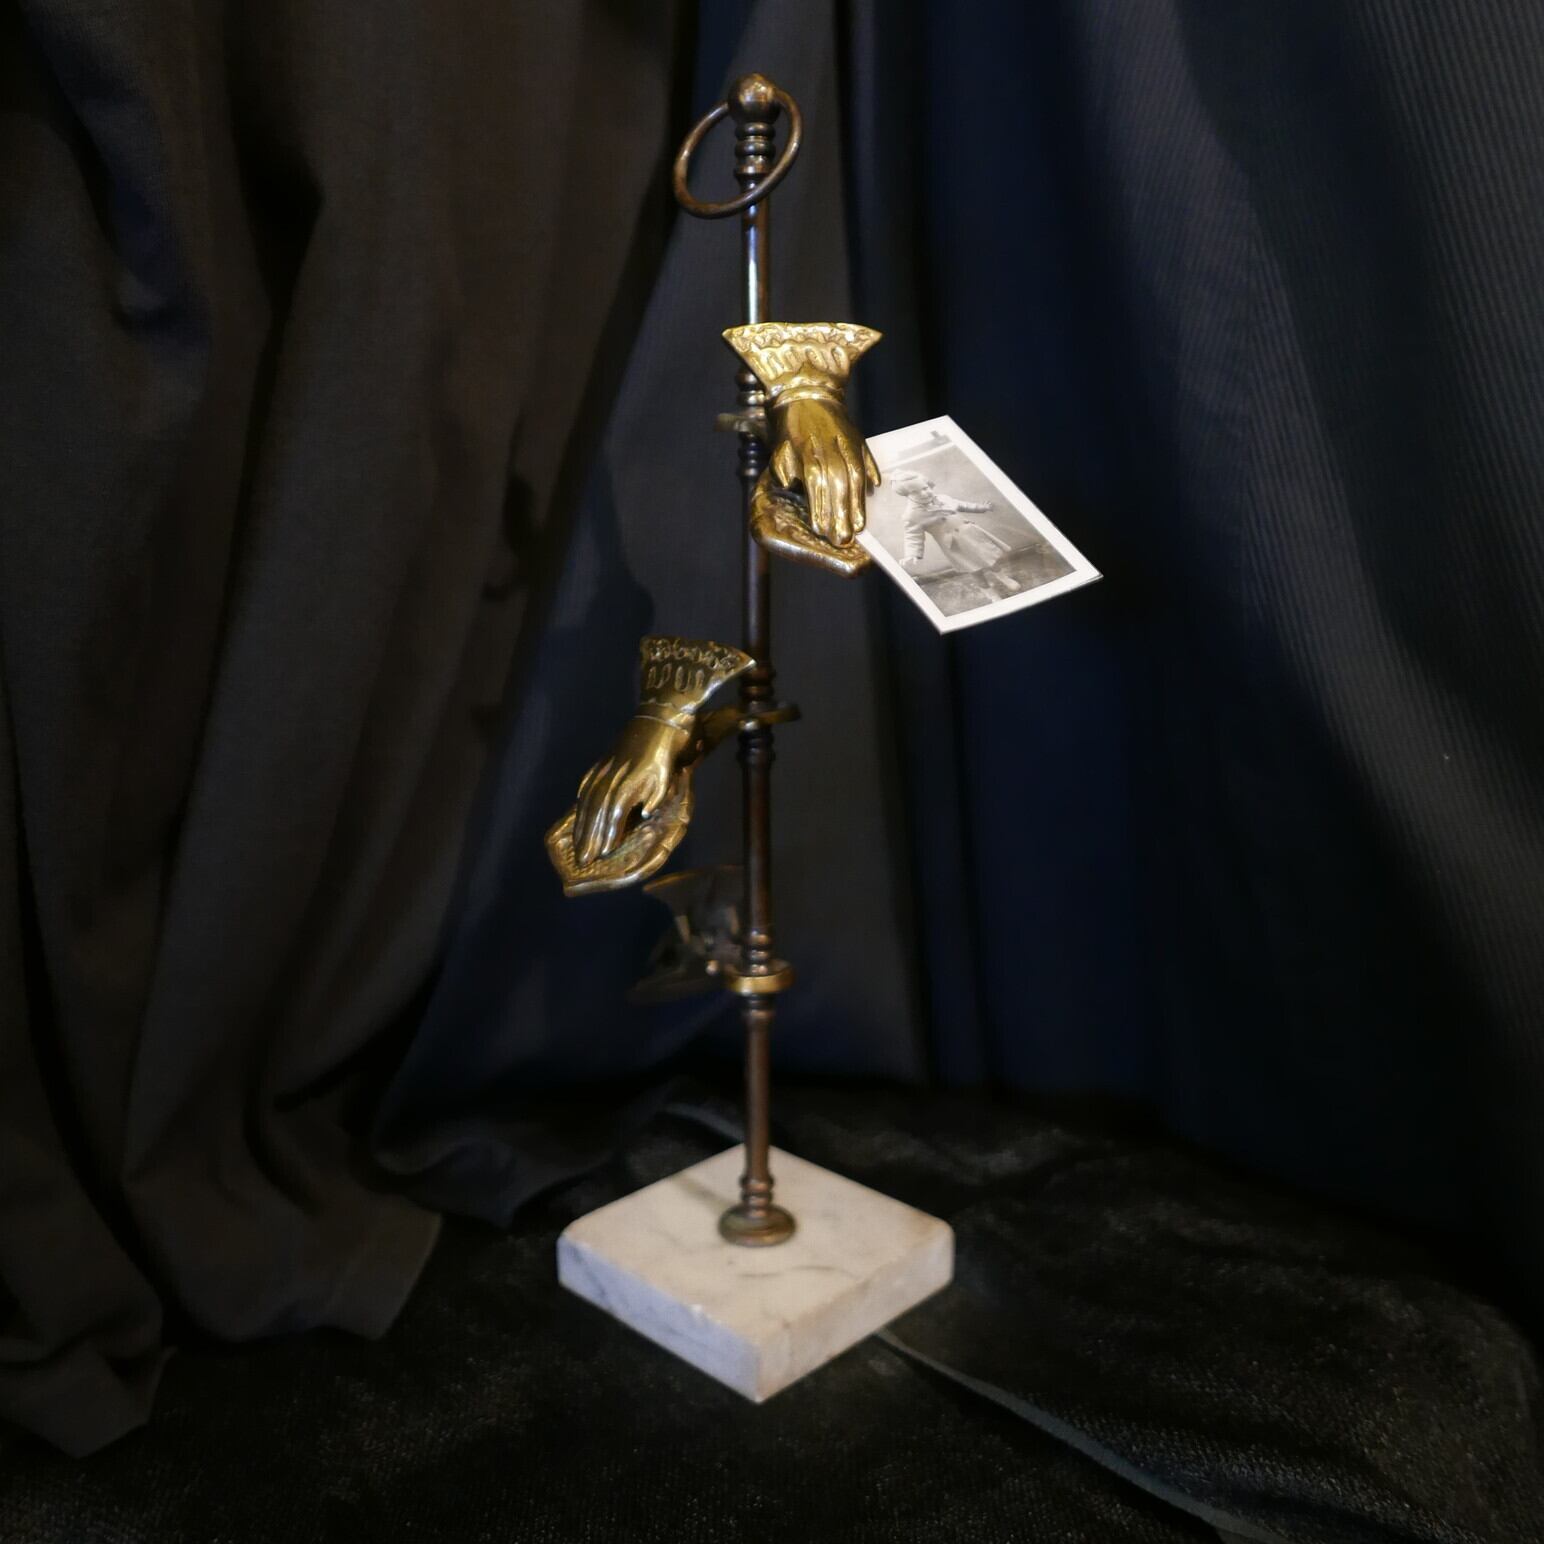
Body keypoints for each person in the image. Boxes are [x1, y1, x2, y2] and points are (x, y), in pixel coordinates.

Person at [892, 469, 1022, 597]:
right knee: (974, 571)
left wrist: (982, 508)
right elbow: (912, 535)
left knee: (991, 561)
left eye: (925, 488)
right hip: (955, 547)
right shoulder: (912, 515)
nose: (924, 493)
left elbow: (963, 505)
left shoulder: (943, 498)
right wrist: (912, 554)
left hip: (972, 536)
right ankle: (991, 594)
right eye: (915, 492)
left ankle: (1004, 578)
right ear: (906, 495)